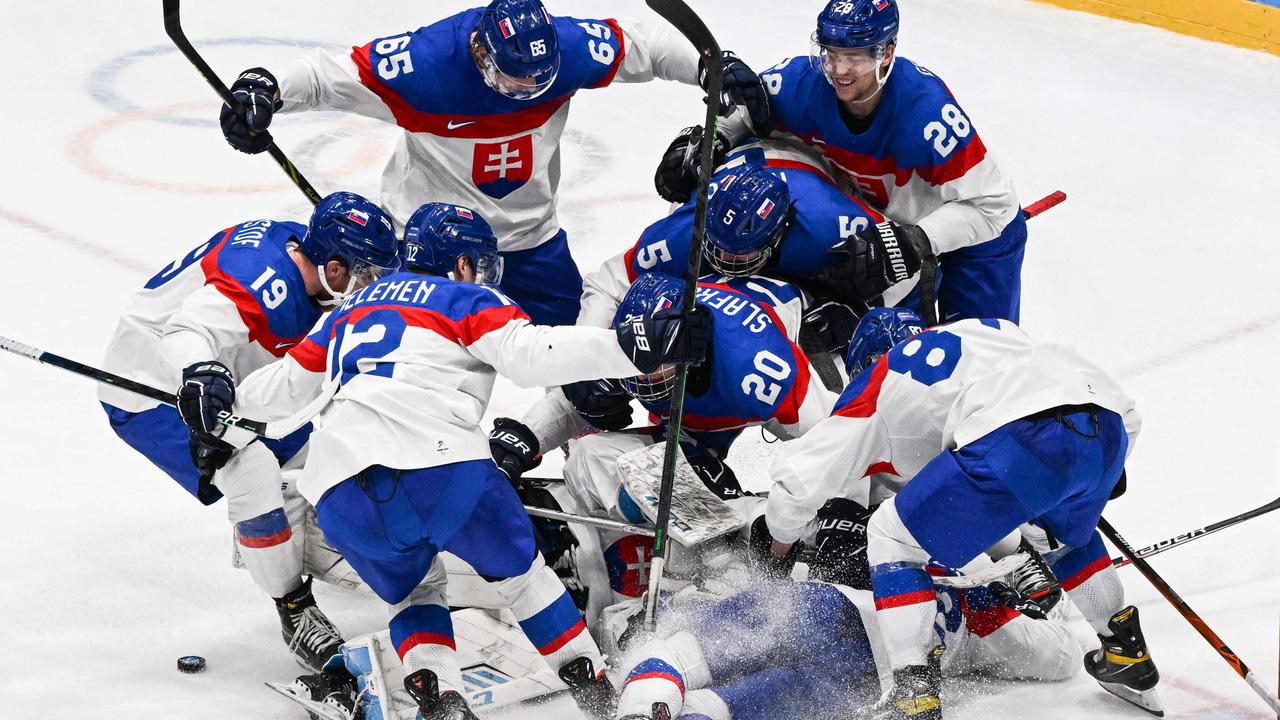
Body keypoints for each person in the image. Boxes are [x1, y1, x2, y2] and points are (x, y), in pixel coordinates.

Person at [207, 203, 710, 720]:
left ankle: (439, 697)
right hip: (443, 472)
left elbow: (279, 390)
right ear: (463, 265)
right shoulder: (463, 296)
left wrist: (216, 394)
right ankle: (593, 688)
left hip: (340, 495)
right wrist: (635, 347)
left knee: (415, 591)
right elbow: (532, 352)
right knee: (524, 580)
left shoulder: (344, 310)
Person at [762, 314, 1161, 718]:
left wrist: (778, 548)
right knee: (1059, 533)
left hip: (1019, 432)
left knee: (892, 538)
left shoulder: (878, 386)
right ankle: (1125, 651)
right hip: (1109, 421)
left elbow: (796, 482)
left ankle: (914, 695)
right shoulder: (985, 332)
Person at [217, 0, 704, 327]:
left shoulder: (569, 47)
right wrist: (265, 89)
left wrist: (712, 67)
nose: (525, 94)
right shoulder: (422, 65)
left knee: (578, 357)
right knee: (413, 361)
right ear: (477, 50)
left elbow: (649, 46)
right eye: (513, 81)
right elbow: (326, 77)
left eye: (538, 82)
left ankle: (581, 450)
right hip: (426, 246)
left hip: (530, 239)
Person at [99, 191, 399, 671]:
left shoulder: (302, 255)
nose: (375, 284)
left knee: (312, 437)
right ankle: (293, 606)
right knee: (248, 467)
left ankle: (297, 532)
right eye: (368, 273)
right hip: (154, 384)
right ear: (336, 268)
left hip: (226, 367)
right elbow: (184, 333)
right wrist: (200, 371)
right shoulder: (265, 285)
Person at [490, 271, 836, 630]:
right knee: (590, 455)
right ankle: (652, 579)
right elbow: (572, 403)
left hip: (804, 354)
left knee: (797, 498)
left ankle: (744, 533)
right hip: (691, 430)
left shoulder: (760, 367)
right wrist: (519, 440)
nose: (643, 377)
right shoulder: (632, 340)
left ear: (693, 349)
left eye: (658, 366)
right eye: (637, 364)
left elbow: (839, 439)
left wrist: (839, 516)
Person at [667, 0, 1028, 325]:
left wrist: (918, 239)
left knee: (982, 354)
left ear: (885, 54)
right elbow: (749, 111)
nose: (838, 69)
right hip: (890, 228)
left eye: (854, 57)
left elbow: (994, 205)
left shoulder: (927, 115)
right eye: (831, 53)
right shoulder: (804, 82)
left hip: (979, 241)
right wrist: (710, 143)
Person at [611, 498, 1079, 720]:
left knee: (686, 657)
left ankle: (641, 705)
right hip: (865, 678)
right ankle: (660, 705)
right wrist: (1039, 609)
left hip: (824, 608)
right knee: (724, 708)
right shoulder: (985, 596)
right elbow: (1060, 659)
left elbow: (769, 520)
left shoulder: (935, 521)